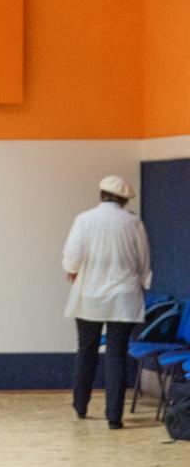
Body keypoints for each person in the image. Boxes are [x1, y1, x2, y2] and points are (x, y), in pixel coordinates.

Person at [63, 175, 152, 429]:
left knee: (86, 350)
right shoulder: (133, 223)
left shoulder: (84, 219)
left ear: (101, 194)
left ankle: (81, 406)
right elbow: (143, 261)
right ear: (124, 199)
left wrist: (72, 269)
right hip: (124, 297)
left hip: (89, 296)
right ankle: (114, 417)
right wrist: (144, 281)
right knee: (117, 354)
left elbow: (72, 258)